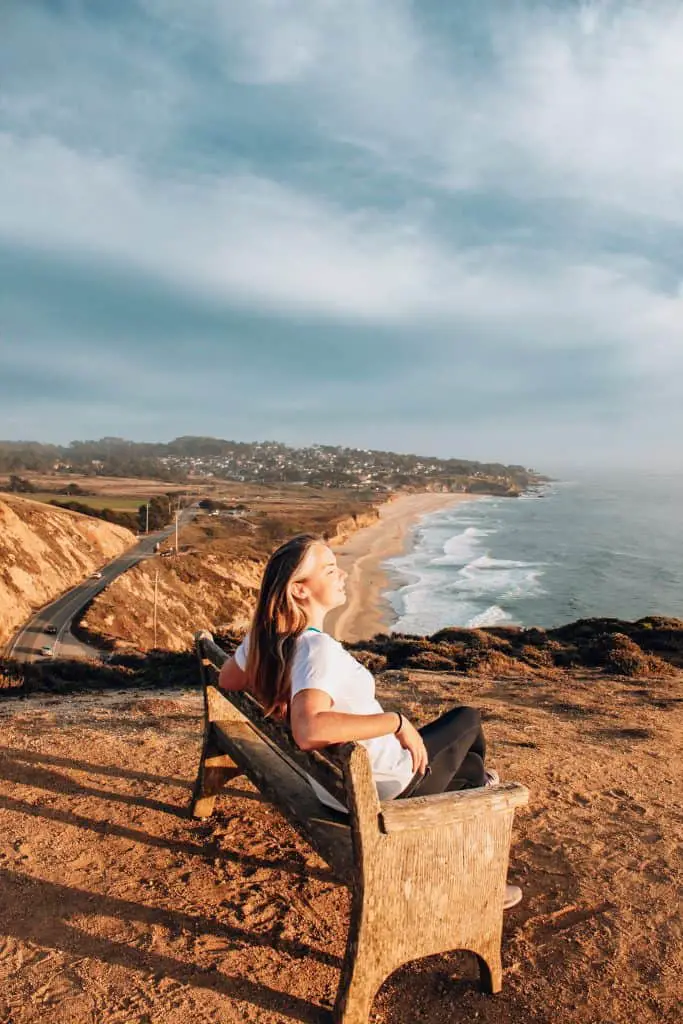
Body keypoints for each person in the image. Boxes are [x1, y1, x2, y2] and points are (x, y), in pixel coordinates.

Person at [218, 532, 522, 909]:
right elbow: (309, 729)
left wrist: (270, 673)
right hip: (383, 787)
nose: (342, 575)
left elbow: (228, 680)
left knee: (472, 767)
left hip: (334, 789)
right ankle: (479, 880)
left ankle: (474, 789)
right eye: (330, 570)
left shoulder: (268, 641)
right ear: (299, 590)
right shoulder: (317, 649)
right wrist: (396, 723)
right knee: (468, 719)